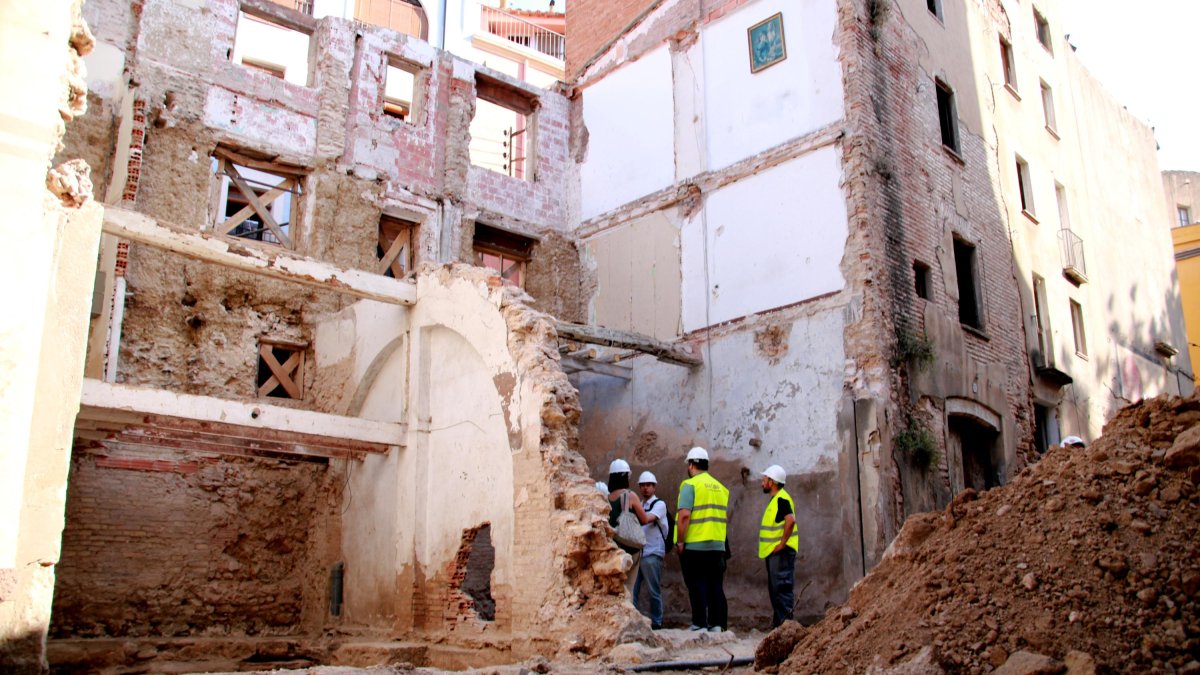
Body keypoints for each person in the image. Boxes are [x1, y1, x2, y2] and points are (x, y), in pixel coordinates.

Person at [675, 446, 729, 633]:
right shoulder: (721, 488)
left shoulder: (690, 485)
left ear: (691, 465)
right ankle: (717, 624)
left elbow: (684, 516)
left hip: (695, 545)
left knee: (696, 584)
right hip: (717, 545)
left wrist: (680, 541)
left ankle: (699, 623)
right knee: (715, 585)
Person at [758, 464, 798, 628]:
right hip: (775, 553)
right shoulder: (777, 499)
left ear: (772, 481)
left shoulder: (781, 499)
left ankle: (785, 629)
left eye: (764, 479)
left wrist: (782, 544)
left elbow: (790, 520)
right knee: (776, 591)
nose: (762, 482)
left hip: (781, 553)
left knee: (781, 590)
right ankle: (780, 627)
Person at [633, 470, 668, 630]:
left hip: (653, 552)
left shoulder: (659, 505)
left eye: (648, 485)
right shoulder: (640, 505)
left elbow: (646, 519)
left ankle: (657, 622)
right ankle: (632, 621)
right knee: (633, 589)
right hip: (640, 553)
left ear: (654, 487)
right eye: (643, 485)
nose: (645, 488)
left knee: (653, 590)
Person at [607, 459, 651, 557]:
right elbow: (644, 520)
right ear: (625, 476)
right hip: (629, 549)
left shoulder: (606, 498)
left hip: (612, 548)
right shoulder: (630, 495)